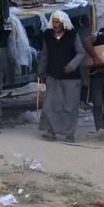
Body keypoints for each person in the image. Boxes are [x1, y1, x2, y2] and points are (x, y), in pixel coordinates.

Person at [37, 11, 83, 142]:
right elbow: (45, 54)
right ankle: (51, 131)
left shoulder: (72, 35)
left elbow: (81, 53)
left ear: (63, 23)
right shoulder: (47, 35)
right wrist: (41, 70)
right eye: (54, 22)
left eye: (58, 22)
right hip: (53, 76)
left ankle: (69, 134)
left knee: (69, 107)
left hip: (71, 78)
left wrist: (71, 65)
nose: (56, 25)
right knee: (49, 105)